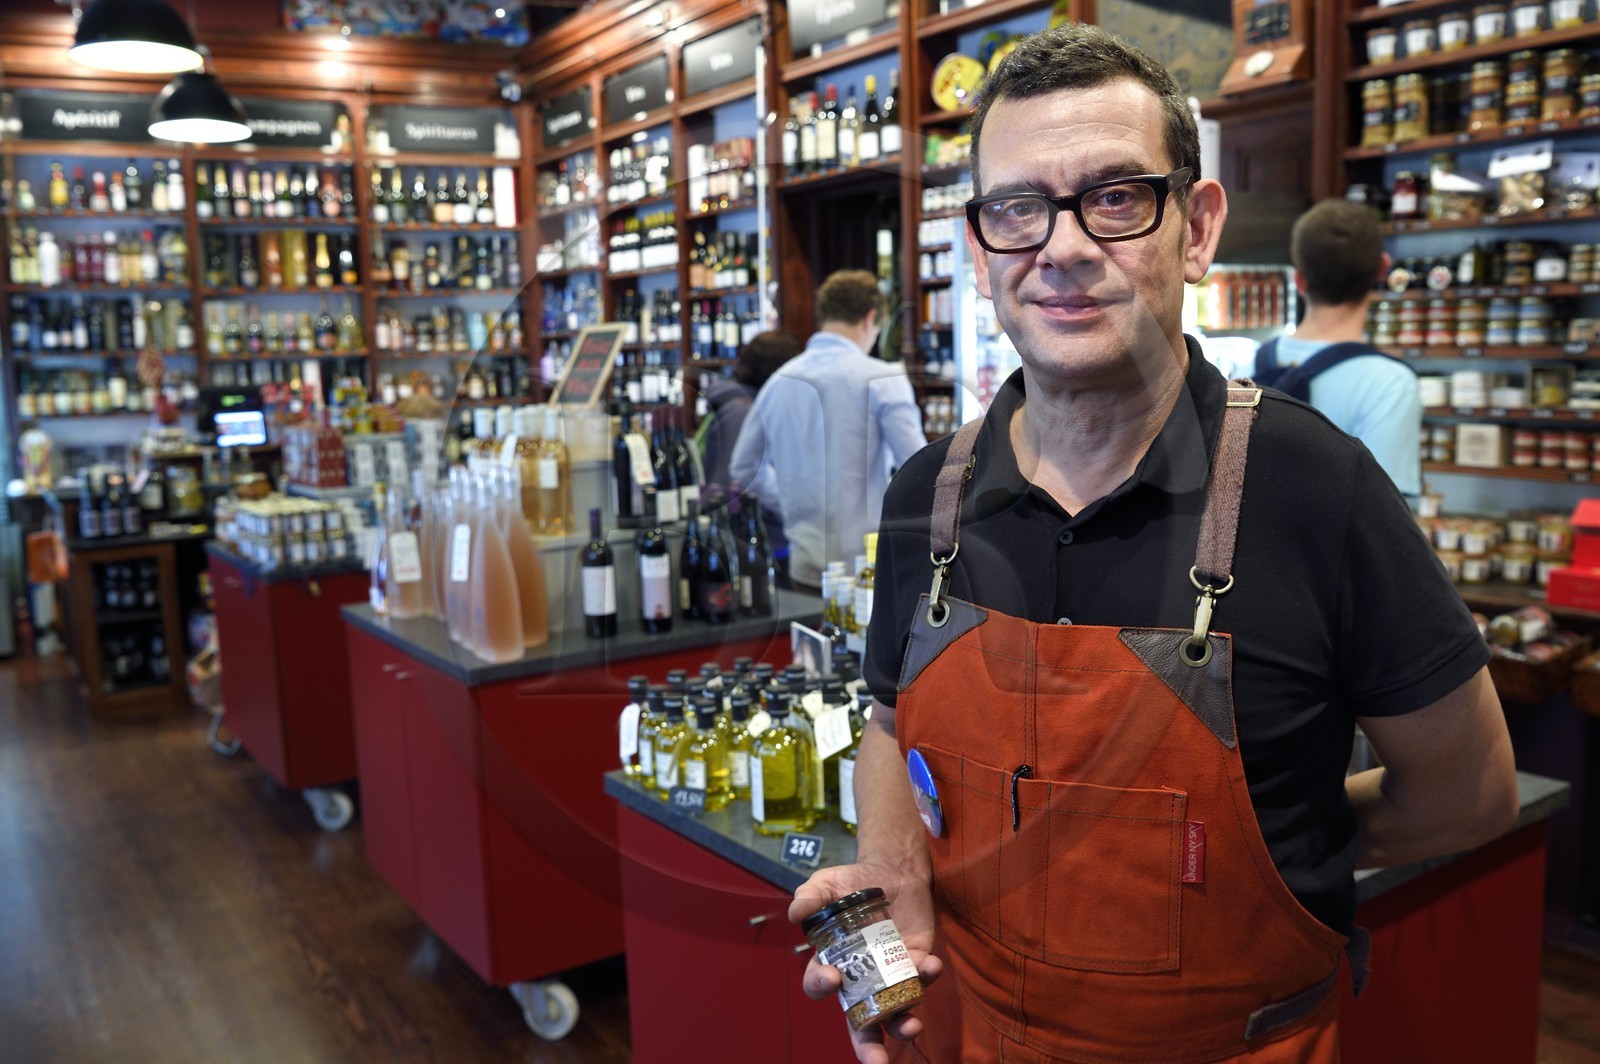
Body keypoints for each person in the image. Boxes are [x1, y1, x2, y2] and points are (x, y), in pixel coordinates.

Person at [789, 24, 1518, 1064]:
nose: (1065, 245)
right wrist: (895, 886)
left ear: (1197, 224)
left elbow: (1467, 794)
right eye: (1018, 207)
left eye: (1117, 197)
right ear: (980, 242)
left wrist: (1266, 840)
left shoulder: (1317, 489)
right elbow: (884, 719)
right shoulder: (926, 497)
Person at [728, 270, 927, 590]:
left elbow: (743, 467)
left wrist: (790, 500)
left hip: (804, 566)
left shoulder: (779, 381)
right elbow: (920, 468)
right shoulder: (883, 378)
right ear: (870, 318)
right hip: (869, 570)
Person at [1253, 199, 1423, 495]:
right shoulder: (1390, 383)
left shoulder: (1243, 366)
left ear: (1299, 280)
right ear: (1383, 268)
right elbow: (1385, 516)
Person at [697, 329, 804, 581]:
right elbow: (734, 482)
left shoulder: (738, 405)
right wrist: (787, 505)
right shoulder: (743, 412)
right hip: (753, 543)